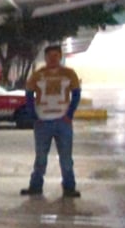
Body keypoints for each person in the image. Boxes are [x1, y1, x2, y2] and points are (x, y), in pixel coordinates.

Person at [21, 44, 82, 197]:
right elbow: (28, 94)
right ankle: (36, 186)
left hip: (63, 121)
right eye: (50, 56)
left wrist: (69, 115)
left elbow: (76, 94)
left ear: (60, 56)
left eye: (56, 55)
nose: (53, 59)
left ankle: (69, 187)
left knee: (66, 157)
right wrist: (34, 116)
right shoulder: (38, 74)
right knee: (41, 156)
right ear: (45, 58)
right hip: (43, 121)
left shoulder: (69, 74)